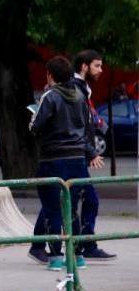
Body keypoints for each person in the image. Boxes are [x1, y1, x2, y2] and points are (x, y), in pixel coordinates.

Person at [27, 56, 101, 266]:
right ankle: (77, 256)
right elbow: (85, 125)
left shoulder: (50, 96)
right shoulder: (80, 95)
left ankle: (56, 256)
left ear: (50, 75)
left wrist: (32, 119)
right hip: (77, 158)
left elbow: (36, 126)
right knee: (72, 208)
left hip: (53, 157)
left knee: (52, 208)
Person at [70, 50, 115, 260]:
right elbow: (75, 126)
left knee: (70, 199)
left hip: (79, 153)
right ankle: (83, 245)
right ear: (84, 66)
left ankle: (82, 244)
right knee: (83, 199)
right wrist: (90, 151)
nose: (101, 70)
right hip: (74, 153)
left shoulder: (83, 89)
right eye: (97, 65)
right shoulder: (75, 90)